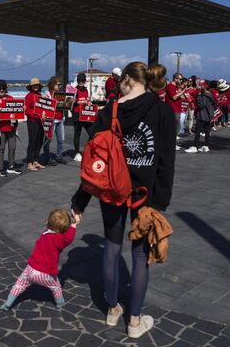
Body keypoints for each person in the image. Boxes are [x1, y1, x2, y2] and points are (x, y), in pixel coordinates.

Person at [71, 62, 175, 339]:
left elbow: (94, 162)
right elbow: (166, 162)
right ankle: (135, 321)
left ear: (126, 79)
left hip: (111, 189)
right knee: (140, 255)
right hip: (145, 195)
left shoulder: (109, 111)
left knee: (112, 250)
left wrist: (79, 201)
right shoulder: (163, 111)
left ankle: (113, 308)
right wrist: (158, 204)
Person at [0, 208, 81, 311]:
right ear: (64, 230)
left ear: (48, 223)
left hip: (30, 270)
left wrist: (50, 223)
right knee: (56, 286)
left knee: (19, 285)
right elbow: (68, 239)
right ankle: (60, 302)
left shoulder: (45, 233)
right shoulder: (59, 240)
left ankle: (8, 303)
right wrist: (74, 225)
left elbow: (52, 227)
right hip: (46, 274)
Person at [0, 79, 22, 177]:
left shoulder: (11, 98)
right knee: (1, 148)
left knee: (12, 147)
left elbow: (17, 111)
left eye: (3, 88)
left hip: (11, 128)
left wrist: (21, 110)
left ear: (6, 89)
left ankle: (11, 166)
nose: (1, 90)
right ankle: (0, 168)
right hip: (0, 128)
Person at [186, 80, 217, 153]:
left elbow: (201, 105)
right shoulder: (211, 95)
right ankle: (206, 146)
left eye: (202, 85)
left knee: (197, 131)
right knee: (207, 131)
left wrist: (199, 96)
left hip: (202, 115)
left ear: (206, 86)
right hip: (208, 116)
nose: (200, 86)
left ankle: (195, 146)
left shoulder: (205, 95)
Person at [42, 76, 66, 165]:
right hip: (51, 120)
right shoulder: (47, 94)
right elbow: (44, 105)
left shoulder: (61, 94)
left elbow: (65, 105)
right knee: (48, 139)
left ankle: (59, 156)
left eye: (60, 85)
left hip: (60, 119)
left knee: (61, 140)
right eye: (58, 84)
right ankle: (46, 157)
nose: (59, 86)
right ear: (53, 85)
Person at [24, 77, 46, 170]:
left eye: (37, 85)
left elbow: (44, 107)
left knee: (39, 141)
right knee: (32, 141)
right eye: (34, 85)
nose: (36, 86)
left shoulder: (40, 95)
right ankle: (29, 163)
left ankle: (36, 161)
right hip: (32, 121)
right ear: (31, 86)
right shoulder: (28, 96)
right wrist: (37, 115)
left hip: (41, 121)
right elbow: (26, 111)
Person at [72, 73, 92, 161]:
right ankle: (76, 153)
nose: (81, 82)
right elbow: (71, 102)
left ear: (84, 81)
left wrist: (88, 102)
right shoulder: (74, 90)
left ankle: (88, 150)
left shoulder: (86, 90)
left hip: (85, 114)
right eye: (79, 81)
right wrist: (81, 102)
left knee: (92, 132)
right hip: (76, 114)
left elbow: (86, 100)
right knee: (77, 134)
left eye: (82, 81)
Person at [165, 72, 185, 150]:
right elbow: (174, 97)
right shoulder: (170, 86)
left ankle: (172, 143)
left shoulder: (176, 87)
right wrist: (183, 91)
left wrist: (181, 92)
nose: (181, 81)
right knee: (174, 128)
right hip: (173, 109)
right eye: (180, 79)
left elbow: (180, 96)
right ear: (175, 79)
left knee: (177, 127)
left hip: (177, 109)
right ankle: (171, 144)